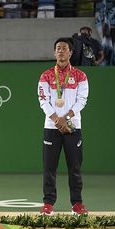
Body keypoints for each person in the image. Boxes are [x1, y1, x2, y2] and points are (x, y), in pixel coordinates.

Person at [37, 37, 89, 216]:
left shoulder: (80, 76)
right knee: (49, 168)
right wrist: (56, 119)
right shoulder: (46, 75)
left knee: (75, 167)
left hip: (73, 127)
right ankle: (48, 204)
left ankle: (77, 204)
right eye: (58, 48)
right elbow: (43, 100)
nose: (61, 51)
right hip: (51, 128)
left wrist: (66, 118)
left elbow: (82, 101)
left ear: (71, 52)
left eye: (64, 48)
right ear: (54, 53)